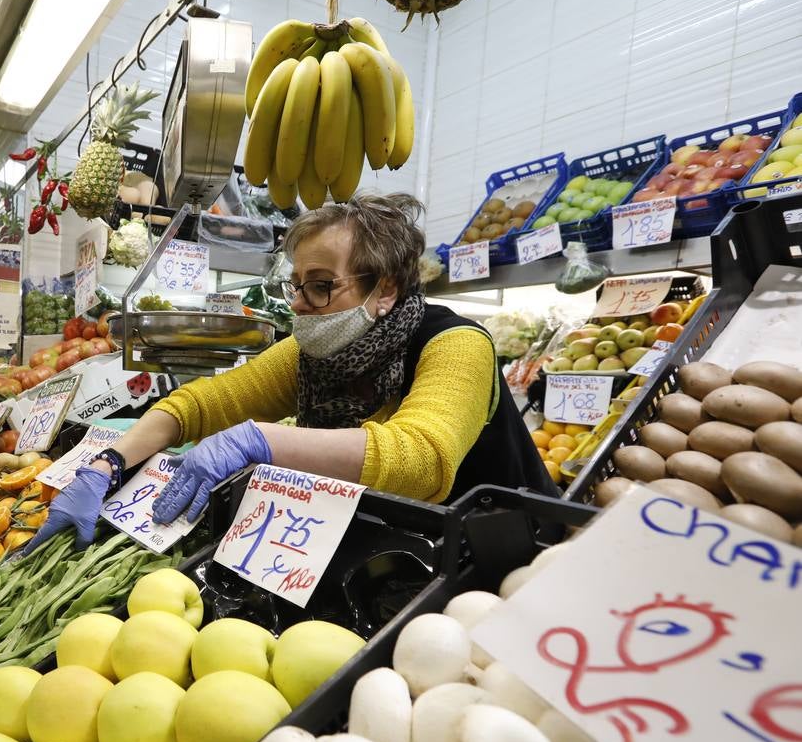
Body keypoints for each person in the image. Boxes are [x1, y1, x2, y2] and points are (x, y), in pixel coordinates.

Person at [28, 193, 555, 550]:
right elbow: (202, 405)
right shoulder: (313, 352)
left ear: (387, 287)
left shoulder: (455, 344)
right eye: (297, 284)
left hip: (496, 553)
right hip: (394, 549)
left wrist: (259, 441)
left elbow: (421, 458)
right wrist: (107, 466)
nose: (301, 304)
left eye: (322, 285)